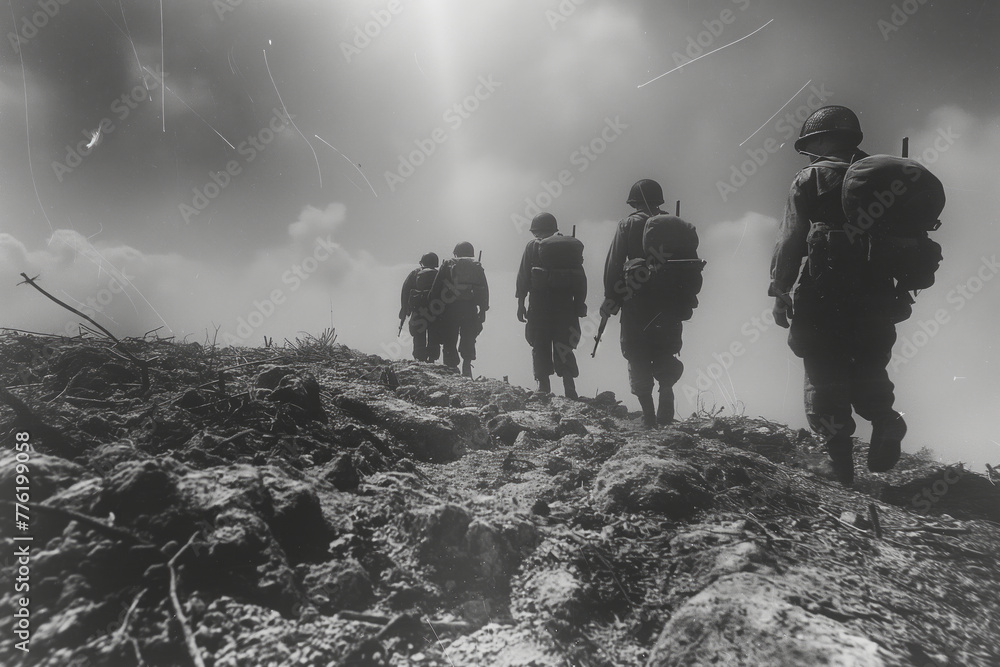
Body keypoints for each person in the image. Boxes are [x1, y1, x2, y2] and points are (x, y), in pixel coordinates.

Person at [770, 105, 907, 486]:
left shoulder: (811, 177)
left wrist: (780, 288)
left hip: (824, 291)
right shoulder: (883, 177)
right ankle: (886, 420)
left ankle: (840, 468)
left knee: (822, 369)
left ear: (825, 138)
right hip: (878, 295)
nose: (810, 150)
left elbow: (791, 237)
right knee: (867, 363)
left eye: (812, 142)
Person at [601, 179, 699, 428]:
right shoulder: (675, 225)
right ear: (659, 200)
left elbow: (614, 264)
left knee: (636, 351)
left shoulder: (628, 223)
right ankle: (666, 392)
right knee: (665, 349)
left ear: (633, 201)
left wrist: (610, 299)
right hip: (669, 301)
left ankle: (648, 415)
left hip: (637, 300)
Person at [516, 212, 586, 398]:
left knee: (540, 342)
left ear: (536, 230)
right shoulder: (569, 248)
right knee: (564, 342)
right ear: (554, 228)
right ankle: (569, 384)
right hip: (565, 303)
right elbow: (580, 277)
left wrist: (520, 302)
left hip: (539, 303)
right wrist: (580, 304)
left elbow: (523, 276)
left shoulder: (532, 246)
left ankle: (543, 386)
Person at [429, 242, 489, 377]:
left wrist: (434, 308)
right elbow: (484, 289)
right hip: (470, 308)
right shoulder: (476, 265)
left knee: (449, 338)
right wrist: (483, 310)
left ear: (456, 252)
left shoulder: (448, 263)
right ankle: (467, 365)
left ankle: (451, 368)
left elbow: (436, 287)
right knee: (469, 336)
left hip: (449, 308)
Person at [399, 252, 441, 363]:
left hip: (418, 309)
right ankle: (432, 359)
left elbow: (405, 290)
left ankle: (419, 358)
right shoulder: (439, 274)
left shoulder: (415, 273)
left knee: (418, 335)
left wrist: (404, 309)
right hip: (436, 310)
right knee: (434, 334)